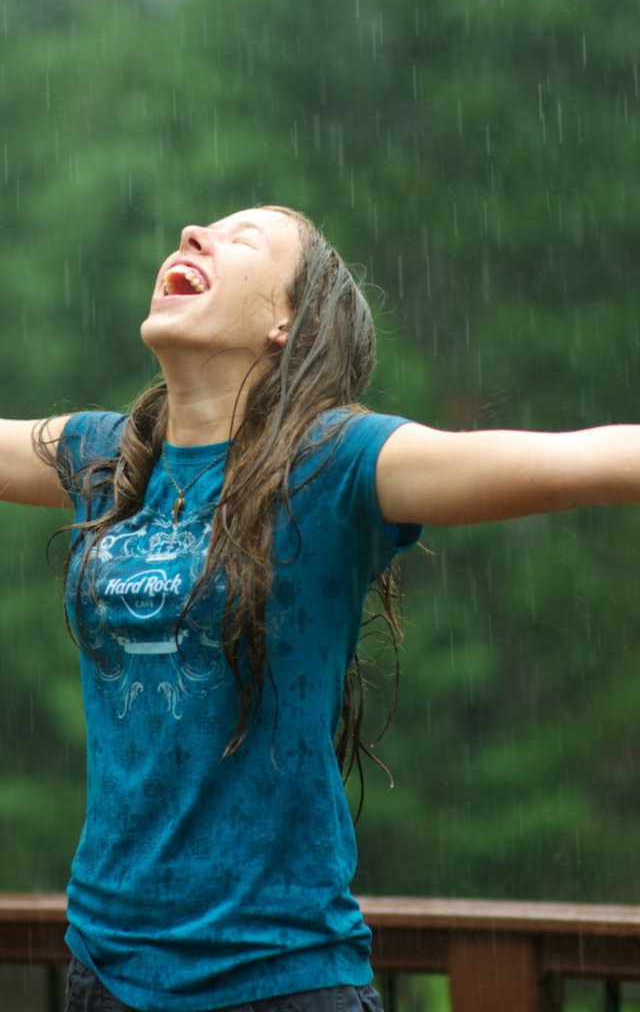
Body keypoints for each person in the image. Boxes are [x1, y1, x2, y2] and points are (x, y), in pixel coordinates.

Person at [2, 204, 640, 1012]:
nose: (195, 235)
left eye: (243, 242)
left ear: (285, 323)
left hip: (279, 980)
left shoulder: (336, 464)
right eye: (200, 230)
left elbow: (569, 462)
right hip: (106, 974)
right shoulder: (109, 456)